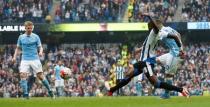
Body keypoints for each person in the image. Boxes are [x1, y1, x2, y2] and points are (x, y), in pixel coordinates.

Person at [105, 14, 189, 98]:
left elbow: (165, 32)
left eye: (149, 25)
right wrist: (140, 49)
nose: (148, 27)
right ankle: (111, 91)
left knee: (156, 83)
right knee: (128, 75)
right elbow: (149, 45)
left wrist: (149, 16)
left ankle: (181, 90)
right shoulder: (153, 34)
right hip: (142, 61)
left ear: (153, 25)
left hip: (147, 62)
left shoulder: (157, 31)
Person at [12, 21, 54, 99]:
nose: (30, 29)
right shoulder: (21, 37)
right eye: (28, 28)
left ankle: (50, 91)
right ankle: (25, 94)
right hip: (25, 59)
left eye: (31, 28)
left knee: (40, 76)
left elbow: (40, 47)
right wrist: (14, 57)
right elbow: (17, 48)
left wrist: (41, 52)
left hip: (35, 59)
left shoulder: (36, 37)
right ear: (25, 28)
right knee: (22, 75)